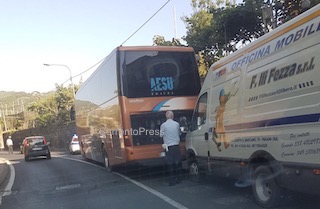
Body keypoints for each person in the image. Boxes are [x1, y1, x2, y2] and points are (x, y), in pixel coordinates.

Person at [160, 111, 182, 186]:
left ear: (166, 117)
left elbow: (161, 135)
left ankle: (172, 181)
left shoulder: (163, 125)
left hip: (168, 147)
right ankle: (179, 179)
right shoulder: (177, 124)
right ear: (173, 116)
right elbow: (179, 133)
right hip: (176, 145)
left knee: (170, 164)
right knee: (178, 163)